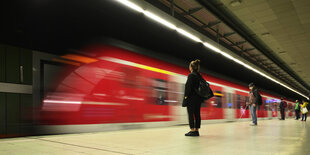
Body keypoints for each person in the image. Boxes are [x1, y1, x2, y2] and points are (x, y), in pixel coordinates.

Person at [183, 59, 204, 136]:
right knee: (197, 114)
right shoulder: (199, 76)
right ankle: (197, 130)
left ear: (191, 67)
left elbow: (188, 88)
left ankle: (192, 130)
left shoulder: (191, 75)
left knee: (191, 114)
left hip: (191, 98)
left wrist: (186, 97)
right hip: (198, 99)